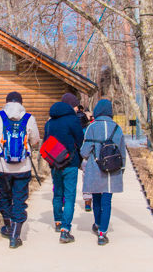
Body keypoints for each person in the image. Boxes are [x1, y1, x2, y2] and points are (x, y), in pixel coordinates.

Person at [0, 91, 40, 249]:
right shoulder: (29, 118)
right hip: (23, 168)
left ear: (6, 102)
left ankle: (8, 227)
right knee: (19, 200)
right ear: (21, 103)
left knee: (5, 197)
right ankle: (15, 236)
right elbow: (35, 141)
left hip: (2, 168)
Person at [80, 99, 126, 246]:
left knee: (97, 200)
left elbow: (84, 152)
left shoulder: (91, 128)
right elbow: (122, 152)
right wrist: (122, 169)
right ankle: (102, 234)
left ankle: (98, 223)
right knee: (107, 201)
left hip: (95, 169)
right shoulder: (117, 128)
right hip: (112, 170)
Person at [44, 93, 84, 243]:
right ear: (70, 105)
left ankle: (58, 222)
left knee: (57, 194)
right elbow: (80, 141)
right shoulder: (73, 120)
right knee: (69, 197)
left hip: (55, 164)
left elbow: (46, 143)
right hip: (70, 164)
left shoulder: (50, 122)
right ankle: (65, 230)